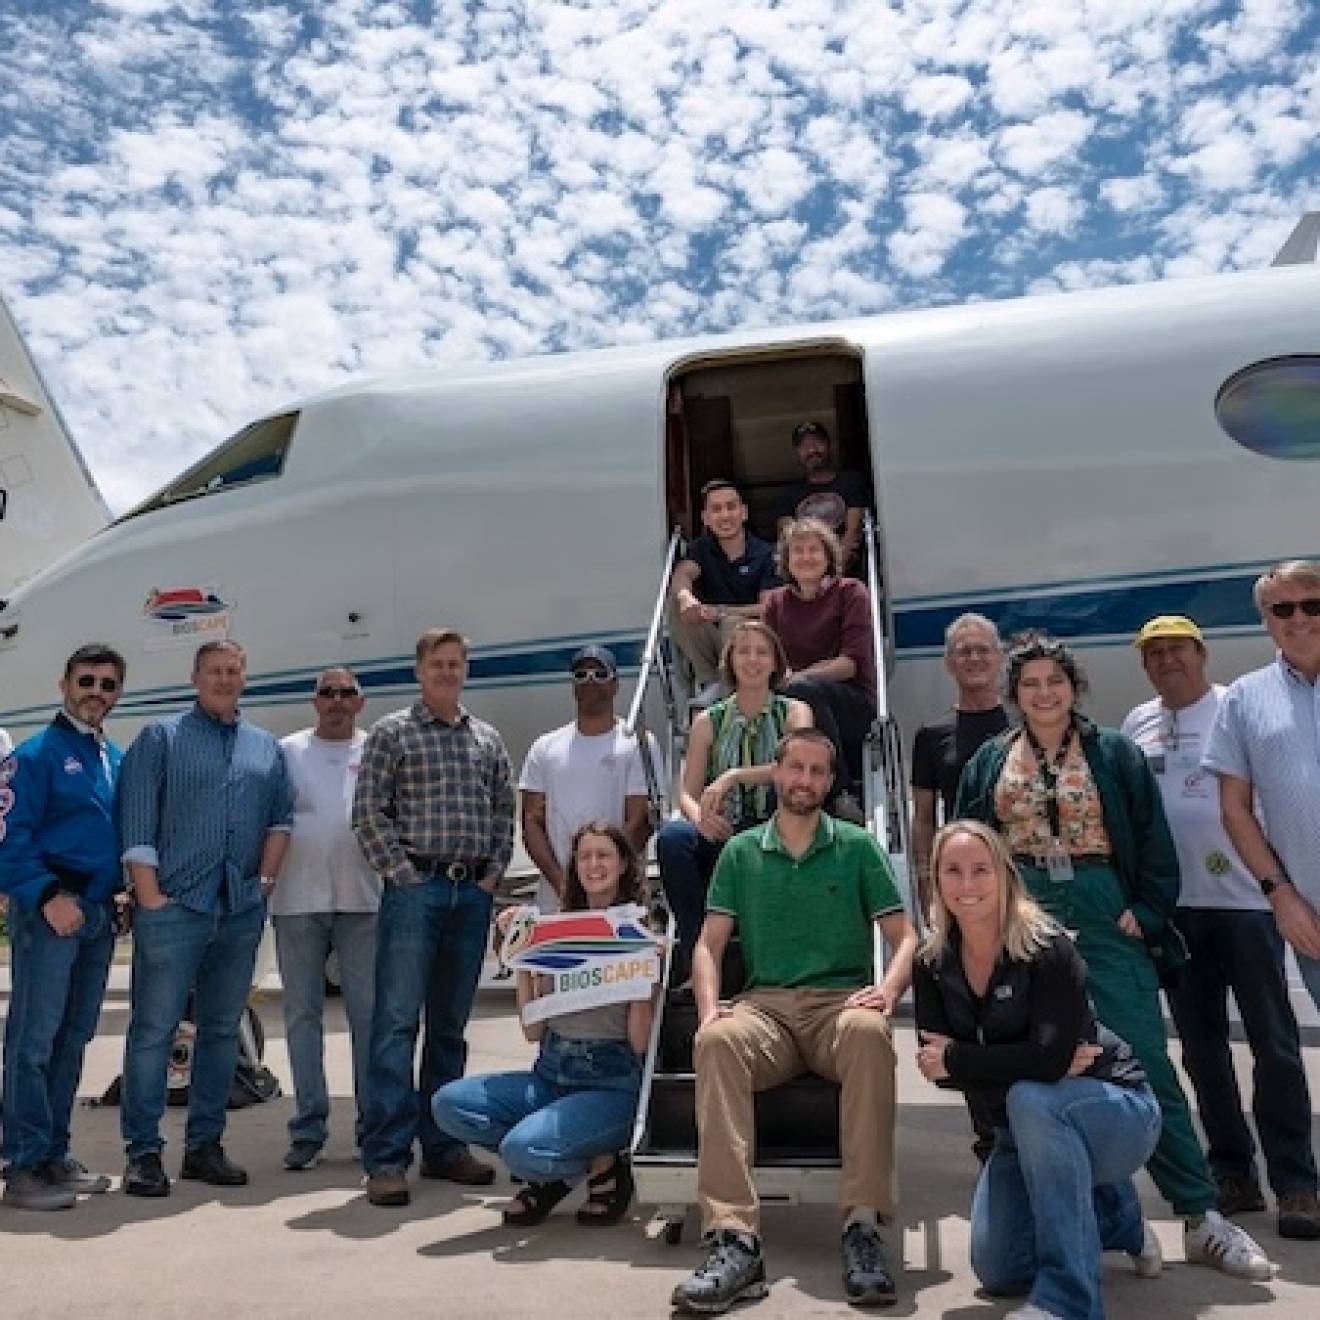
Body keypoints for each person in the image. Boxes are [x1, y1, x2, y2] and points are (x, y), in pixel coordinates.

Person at [955, 634, 1272, 1279]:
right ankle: (1111, 1215)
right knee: (1040, 1069)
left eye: (1055, 682)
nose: (1044, 694)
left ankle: (1200, 1214)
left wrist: (1148, 912)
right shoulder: (989, 761)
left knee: (1146, 1064)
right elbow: (967, 846)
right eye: (1031, 684)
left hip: (1105, 910)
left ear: (1074, 688)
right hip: (1022, 917)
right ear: (1014, 695)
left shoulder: (1116, 753)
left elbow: (1155, 841)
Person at [671, 728, 918, 1314]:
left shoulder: (858, 847)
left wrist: (886, 990)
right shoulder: (740, 852)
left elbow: (905, 936)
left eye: (817, 771)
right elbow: (707, 946)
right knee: (719, 1040)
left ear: (830, 783)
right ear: (777, 773)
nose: (804, 780)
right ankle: (734, 1239)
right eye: (795, 768)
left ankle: (862, 1228)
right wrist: (708, 1010)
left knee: (867, 1032)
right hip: (769, 1011)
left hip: (840, 1007)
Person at [913, 821, 1163, 1320]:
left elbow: (968, 1062)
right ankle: (1115, 1215)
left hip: (1118, 1109)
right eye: (953, 871)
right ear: (936, 881)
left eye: (981, 870)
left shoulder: (1048, 947)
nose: (967, 885)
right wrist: (1031, 1060)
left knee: (1032, 1097)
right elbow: (936, 1069)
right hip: (1014, 1130)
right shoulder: (931, 961)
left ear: (1005, 875)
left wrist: (968, 1060)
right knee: (1000, 1269)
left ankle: (1068, 1301)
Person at [1125, 614, 1320, 1238]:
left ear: (1201, 654)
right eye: (1154, 653)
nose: (1166, 661)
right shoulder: (1137, 724)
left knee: (1276, 1048)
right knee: (1203, 1052)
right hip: (1178, 911)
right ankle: (1233, 1171)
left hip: (1248, 908)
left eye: (1177, 649)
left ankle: (1295, 1182)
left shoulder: (1237, 707)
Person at [117, 639, 294, 1197]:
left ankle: (204, 1147)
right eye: (214, 670)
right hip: (174, 907)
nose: (224, 679)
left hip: (239, 908)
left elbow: (281, 822)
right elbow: (137, 823)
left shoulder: (265, 748)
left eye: (233, 670)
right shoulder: (161, 738)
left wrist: (263, 885)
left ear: (244, 678)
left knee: (221, 1032)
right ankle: (144, 1153)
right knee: (153, 1032)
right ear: (196, 677)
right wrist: (149, 897)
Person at [352, 627, 515, 1207]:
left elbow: (504, 810)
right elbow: (368, 811)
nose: (447, 672)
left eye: (456, 664)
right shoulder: (392, 734)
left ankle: (445, 1148)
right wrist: (402, 875)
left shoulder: (487, 740)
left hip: (469, 894)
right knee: (396, 1026)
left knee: (449, 1027)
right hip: (415, 891)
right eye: (437, 664)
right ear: (419, 671)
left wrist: (493, 874)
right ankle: (388, 1158)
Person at [433, 822, 654, 1227]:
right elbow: (534, 1031)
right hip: (552, 1070)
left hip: (612, 1079)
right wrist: (522, 958)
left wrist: (645, 979)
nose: (593, 864)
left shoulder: (638, 931)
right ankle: (565, 1167)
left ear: (623, 863)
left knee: (521, 1150)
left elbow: (639, 1043)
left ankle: (600, 1163)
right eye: (584, 856)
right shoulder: (553, 929)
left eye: (603, 855)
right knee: (448, 1104)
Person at [0, 644, 127, 1211]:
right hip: (52, 911)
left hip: (97, 916)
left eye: (107, 684)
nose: (96, 692)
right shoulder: (34, 756)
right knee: (33, 1042)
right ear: (64, 683)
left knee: (72, 1040)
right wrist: (47, 895)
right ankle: (22, 1164)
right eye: (87, 680)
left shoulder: (112, 757)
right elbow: (8, 835)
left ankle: (54, 1152)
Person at [272, 668, 381, 1172]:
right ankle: (309, 1128)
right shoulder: (288, 751)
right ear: (314, 701)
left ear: (360, 701)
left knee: (369, 1018)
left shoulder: (378, 747)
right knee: (301, 1018)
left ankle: (372, 1128)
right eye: (327, 693)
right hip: (297, 901)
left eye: (346, 693)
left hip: (364, 901)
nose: (337, 701)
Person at [656, 620, 811, 968]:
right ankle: (697, 950)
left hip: (775, 830)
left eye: (761, 652)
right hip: (725, 831)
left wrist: (735, 776)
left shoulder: (795, 713)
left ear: (775, 662)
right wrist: (702, 819)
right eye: (743, 651)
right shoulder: (708, 721)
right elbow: (687, 792)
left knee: (781, 790)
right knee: (672, 837)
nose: (752, 660)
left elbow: (799, 766)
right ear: (730, 661)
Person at [1205, 560, 1320, 1020]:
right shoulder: (1243, 699)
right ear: (1266, 621)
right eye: (1282, 609)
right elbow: (1234, 809)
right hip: (1311, 917)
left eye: (1312, 605)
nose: (1298, 618)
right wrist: (1281, 896)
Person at [519, 645, 658, 913]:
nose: (590, 680)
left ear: (616, 684)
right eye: (581, 674)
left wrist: (602, 881)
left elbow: (640, 820)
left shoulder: (638, 744)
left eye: (600, 673)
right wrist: (566, 885)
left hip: (621, 902)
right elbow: (531, 822)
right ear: (573, 686)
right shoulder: (544, 748)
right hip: (556, 900)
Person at [762, 516, 875, 812]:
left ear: (828, 556)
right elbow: (770, 658)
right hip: (792, 703)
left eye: (814, 550)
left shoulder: (851, 593)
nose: (806, 557)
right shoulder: (775, 603)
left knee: (803, 690)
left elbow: (850, 664)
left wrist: (797, 678)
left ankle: (841, 794)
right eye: (797, 551)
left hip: (849, 703)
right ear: (787, 560)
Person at [911, 613, 1009, 913]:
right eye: (964, 651)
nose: (974, 658)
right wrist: (928, 889)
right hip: (967, 875)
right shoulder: (930, 736)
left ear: (999, 657)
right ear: (949, 663)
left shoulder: (1026, 724)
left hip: (1021, 866)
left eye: (983, 650)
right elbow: (924, 819)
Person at [670, 479, 779, 701]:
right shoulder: (701, 549)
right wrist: (685, 598)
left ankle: (728, 684)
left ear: (744, 512)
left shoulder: (766, 553)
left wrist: (722, 611)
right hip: (713, 640)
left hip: (752, 639)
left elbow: (769, 606)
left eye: (731, 507)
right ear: (706, 518)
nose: (725, 515)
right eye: (716, 509)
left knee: (734, 624)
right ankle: (711, 682)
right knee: (675, 605)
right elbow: (683, 574)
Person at [776, 421, 868, 576]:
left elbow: (853, 531)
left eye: (817, 443)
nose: (812, 450)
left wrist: (833, 573)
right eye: (804, 446)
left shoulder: (851, 482)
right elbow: (789, 540)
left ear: (829, 445)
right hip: (807, 578)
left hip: (847, 574)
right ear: (797, 452)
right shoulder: (788, 495)